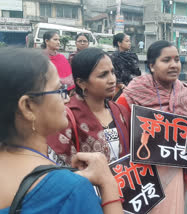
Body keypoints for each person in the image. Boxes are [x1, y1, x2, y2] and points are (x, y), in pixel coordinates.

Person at [0, 48, 122, 213]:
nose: (66, 98)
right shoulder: (69, 189)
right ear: (28, 106)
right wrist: (107, 183)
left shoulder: (119, 110)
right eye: (59, 90)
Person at [117, 40, 187, 214]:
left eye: (177, 60)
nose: (173, 65)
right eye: (166, 60)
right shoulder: (136, 91)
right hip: (144, 172)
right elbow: (118, 125)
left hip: (176, 170)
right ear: (152, 65)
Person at [47, 48, 130, 166]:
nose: (112, 80)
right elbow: (60, 169)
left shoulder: (121, 111)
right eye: (103, 75)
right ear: (81, 83)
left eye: (112, 72)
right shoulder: (65, 119)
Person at [111, 33, 141, 100]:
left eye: (129, 41)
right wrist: (120, 84)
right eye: (127, 41)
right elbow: (114, 73)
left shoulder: (133, 56)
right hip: (120, 89)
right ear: (119, 43)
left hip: (134, 88)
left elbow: (137, 72)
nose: (129, 43)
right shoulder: (114, 57)